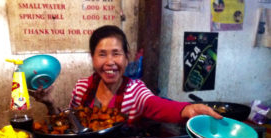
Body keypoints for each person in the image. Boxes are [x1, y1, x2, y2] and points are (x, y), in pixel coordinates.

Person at [31, 25, 222, 125]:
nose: (110, 62)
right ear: (93, 58)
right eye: (102, 54)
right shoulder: (82, 88)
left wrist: (186, 109)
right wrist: (50, 103)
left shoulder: (135, 90)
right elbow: (69, 124)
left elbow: (156, 105)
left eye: (116, 53)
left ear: (126, 57)